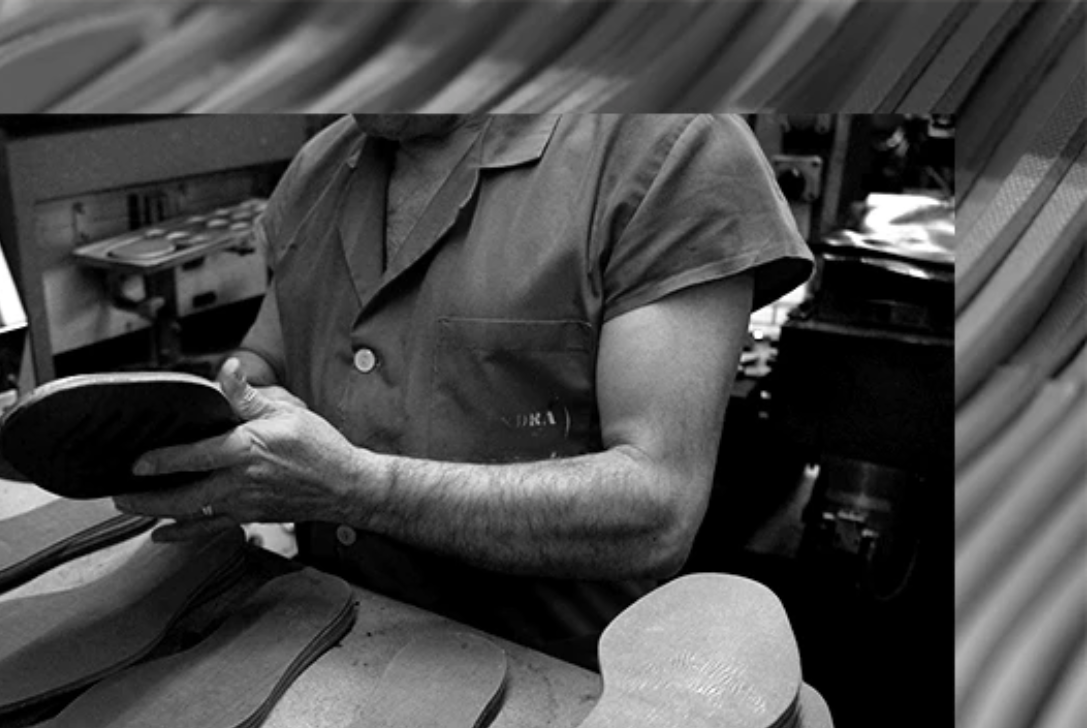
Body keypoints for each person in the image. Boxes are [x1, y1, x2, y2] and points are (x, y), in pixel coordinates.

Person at [114, 114, 813, 667]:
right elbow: (263, 364)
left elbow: (658, 507)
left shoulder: (668, 149)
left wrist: (355, 487)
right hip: (323, 652)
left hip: (560, 685)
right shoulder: (323, 167)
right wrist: (243, 417)